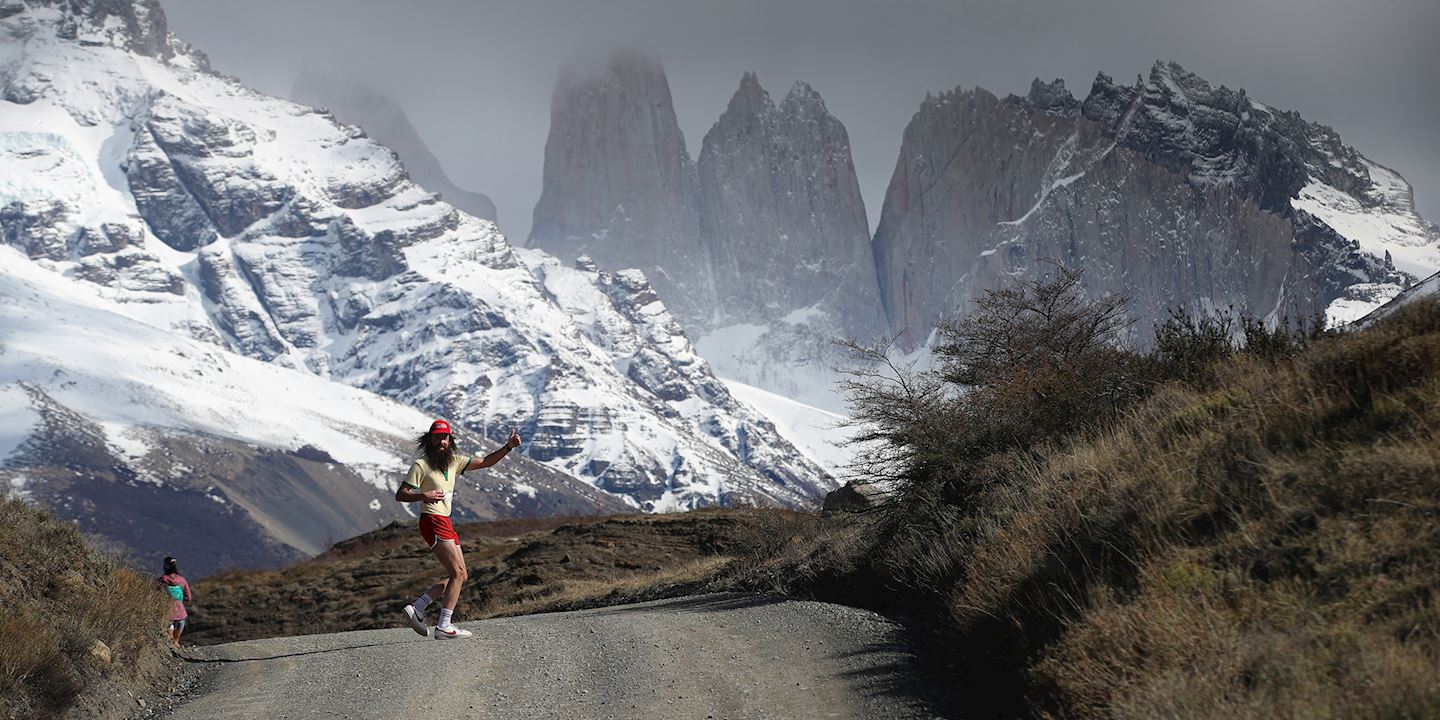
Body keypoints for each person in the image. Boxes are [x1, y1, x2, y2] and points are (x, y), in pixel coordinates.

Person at [394, 419, 521, 639]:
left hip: (445, 521)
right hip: (432, 520)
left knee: (461, 575)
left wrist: (508, 447)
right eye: (437, 437)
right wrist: (423, 495)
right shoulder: (421, 465)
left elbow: (486, 462)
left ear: (450, 440)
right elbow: (401, 494)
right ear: (429, 440)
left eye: (445, 437)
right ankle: (443, 625)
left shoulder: (454, 462)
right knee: (457, 573)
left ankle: (418, 607)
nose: (441, 442)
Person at [158, 556, 191, 649]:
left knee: (169, 624)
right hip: (180, 608)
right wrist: (185, 599)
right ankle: (176, 641)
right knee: (181, 622)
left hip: (167, 607)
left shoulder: (162, 579)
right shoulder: (181, 580)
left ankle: (171, 640)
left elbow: (155, 592)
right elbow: (188, 596)